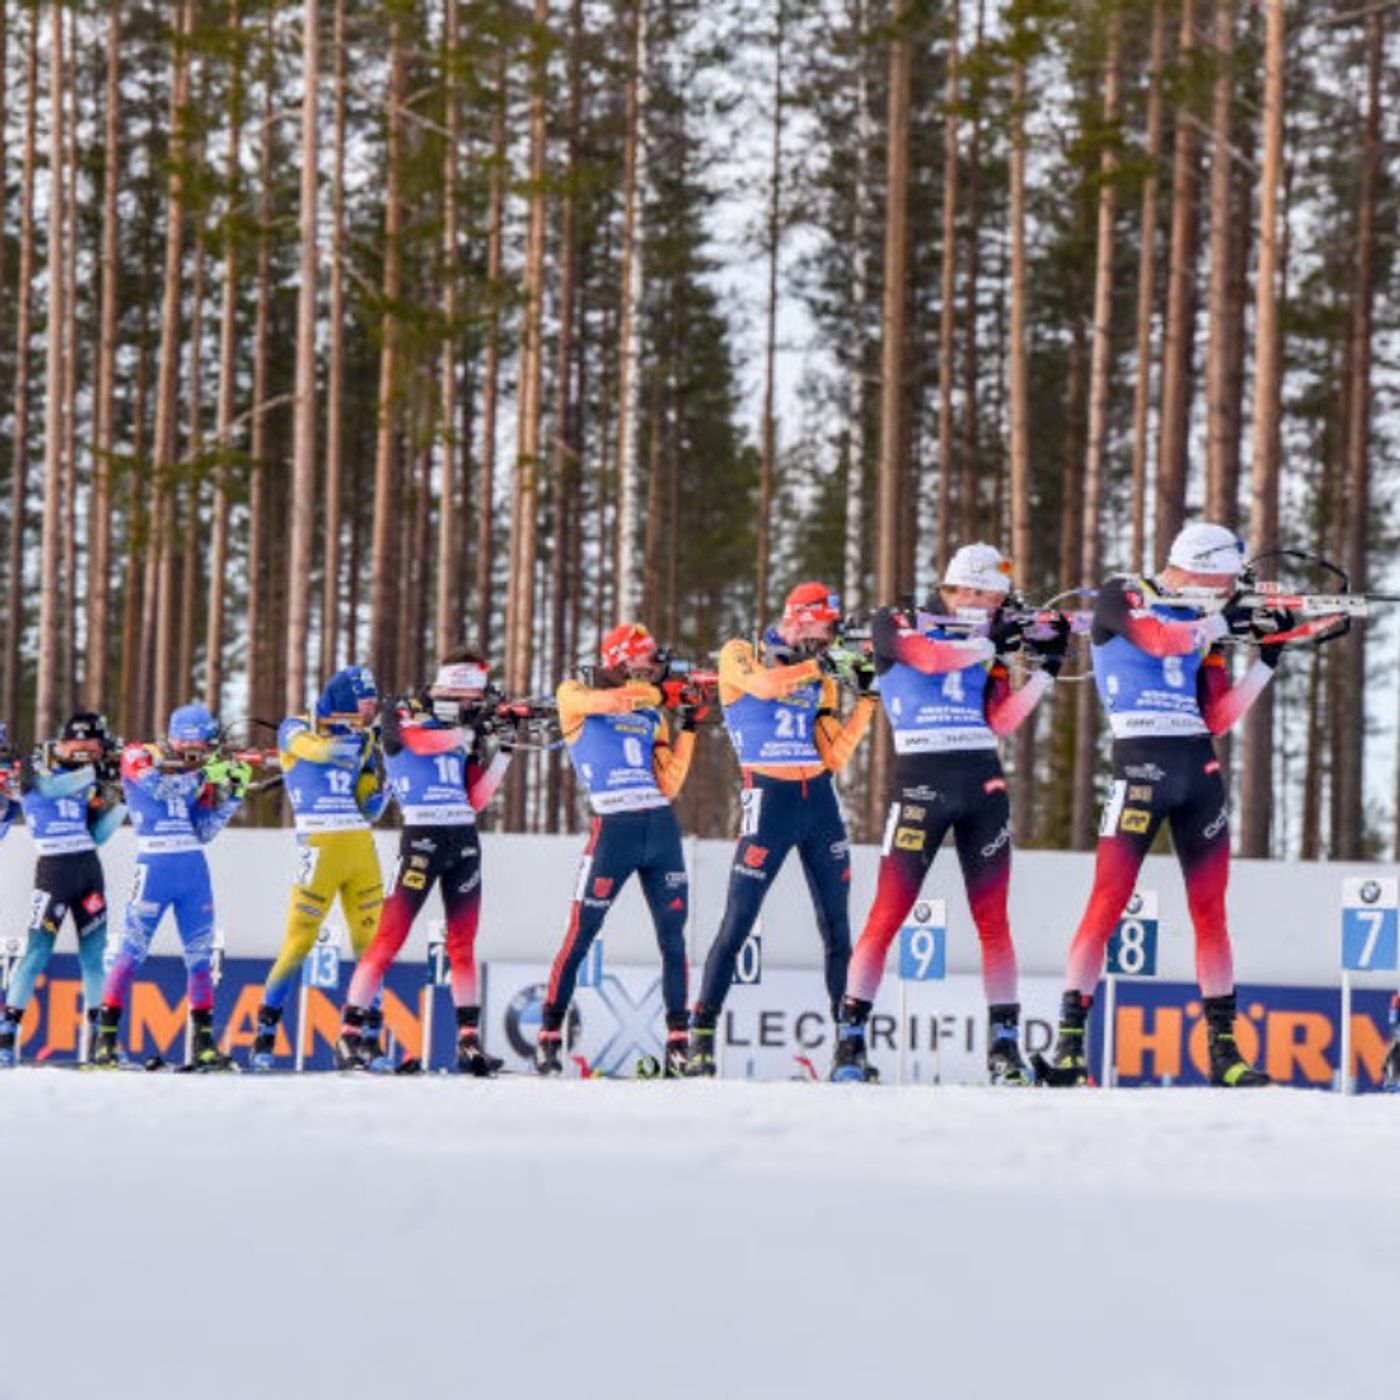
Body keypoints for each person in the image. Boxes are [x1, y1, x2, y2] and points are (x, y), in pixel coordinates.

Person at [1041, 521, 1291, 1087]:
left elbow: (1219, 717)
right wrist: (1222, 621)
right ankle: (1069, 1049)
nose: (1229, 589)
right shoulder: (1124, 594)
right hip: (1140, 764)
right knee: (1107, 903)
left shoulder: (1208, 625)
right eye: (1224, 579)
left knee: (1211, 915)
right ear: (1199, 567)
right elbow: (1158, 641)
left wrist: (1268, 659)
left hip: (1198, 770)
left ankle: (1224, 1054)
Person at [834, 543, 1069, 1083]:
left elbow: (1001, 721)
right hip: (921, 778)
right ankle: (849, 1043)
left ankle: (1004, 1046)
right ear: (962, 589)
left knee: (994, 922)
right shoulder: (897, 622)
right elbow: (928, 659)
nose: (996, 606)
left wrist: (1044, 673)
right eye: (991, 597)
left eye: (1000, 601)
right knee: (887, 914)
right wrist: (990, 640)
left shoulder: (989, 641)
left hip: (981, 780)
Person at [686, 582, 879, 1077]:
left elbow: (833, 754)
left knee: (837, 928)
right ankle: (701, 1037)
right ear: (802, 616)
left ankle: (849, 1047)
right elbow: (767, 688)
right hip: (767, 799)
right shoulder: (741, 652)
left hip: (819, 801)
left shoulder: (822, 674)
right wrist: (823, 665)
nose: (831, 634)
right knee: (738, 920)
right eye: (827, 624)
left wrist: (869, 700)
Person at [336, 649, 514, 1074]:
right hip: (421, 836)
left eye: (477, 702)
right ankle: (349, 1034)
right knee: (389, 938)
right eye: (469, 699)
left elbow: (475, 798)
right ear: (451, 689)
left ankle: (468, 1042)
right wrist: (466, 733)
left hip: (463, 838)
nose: (474, 708)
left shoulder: (463, 727)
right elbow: (414, 742)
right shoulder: (402, 709)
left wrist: (503, 751)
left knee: (462, 945)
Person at [534, 623, 697, 1078]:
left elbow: (670, 782)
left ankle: (679, 1040)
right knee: (581, 932)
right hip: (613, 825)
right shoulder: (575, 692)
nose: (655, 667)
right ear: (622, 660)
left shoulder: (652, 713)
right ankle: (549, 1035)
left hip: (659, 826)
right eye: (647, 659)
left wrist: (690, 726)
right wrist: (660, 694)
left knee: (673, 937)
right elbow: (605, 703)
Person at [92, 704, 249, 1070]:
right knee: (131, 953)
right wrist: (205, 774)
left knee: (200, 958)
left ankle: (203, 1045)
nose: (207, 750)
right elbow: (159, 788)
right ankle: (105, 1044)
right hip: (154, 867)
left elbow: (204, 831)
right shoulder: (139, 753)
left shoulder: (198, 771)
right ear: (185, 736)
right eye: (204, 742)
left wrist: (234, 794)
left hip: (192, 869)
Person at [249, 666, 389, 1071]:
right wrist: (356, 743)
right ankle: (264, 1037)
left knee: (371, 945)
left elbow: (369, 807)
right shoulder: (296, 727)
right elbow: (316, 751)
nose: (371, 710)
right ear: (345, 699)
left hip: (360, 848)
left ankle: (369, 1040)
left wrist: (385, 778)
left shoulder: (362, 739)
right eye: (365, 702)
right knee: (298, 943)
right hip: (318, 846)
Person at [0, 713, 126, 1068]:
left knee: (94, 957)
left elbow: (96, 835)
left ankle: (102, 1041)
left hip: (88, 870)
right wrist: (94, 773)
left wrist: (122, 799)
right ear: (65, 743)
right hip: (53, 872)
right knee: (37, 953)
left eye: (94, 748)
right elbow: (47, 789)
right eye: (80, 746)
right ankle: (6, 1036)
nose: (87, 751)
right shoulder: (37, 767)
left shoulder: (85, 785)